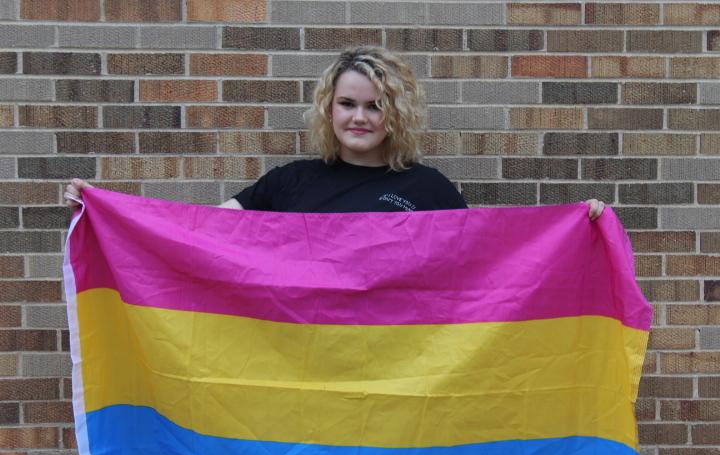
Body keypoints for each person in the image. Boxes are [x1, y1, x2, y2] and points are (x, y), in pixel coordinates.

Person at [65, 46, 604, 218]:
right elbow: (200, 231)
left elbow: (484, 266)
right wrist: (108, 212)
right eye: (347, 103)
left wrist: (578, 226)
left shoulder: (431, 192)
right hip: (301, 369)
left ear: (397, 115)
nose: (360, 118)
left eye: (376, 106)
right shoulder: (288, 185)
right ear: (329, 109)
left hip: (395, 369)